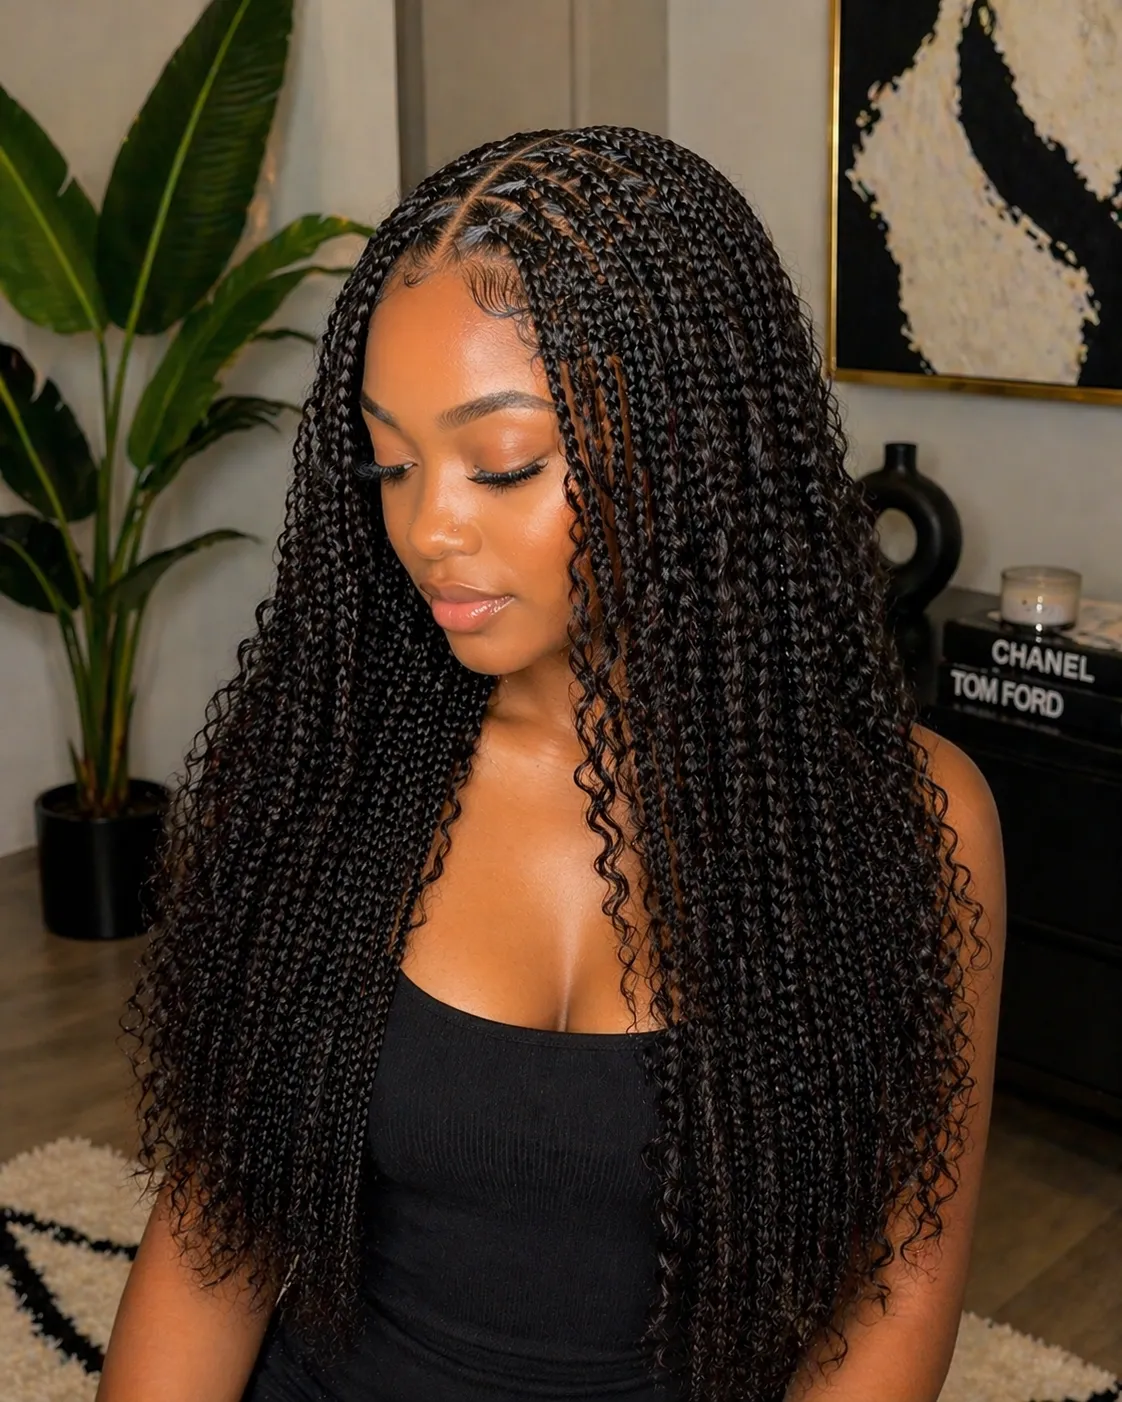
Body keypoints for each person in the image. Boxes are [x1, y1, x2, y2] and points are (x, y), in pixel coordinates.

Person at [96, 125, 1006, 1402]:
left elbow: (897, 1284)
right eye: (390, 462)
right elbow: (215, 1233)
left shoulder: (906, 821)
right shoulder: (329, 766)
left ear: (691, 445)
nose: (428, 527)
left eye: (504, 464)